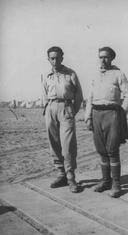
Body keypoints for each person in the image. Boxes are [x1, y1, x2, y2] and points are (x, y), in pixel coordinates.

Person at [85, 47, 128, 197]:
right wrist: (88, 116)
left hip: (112, 114)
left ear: (112, 58)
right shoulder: (95, 75)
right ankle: (106, 181)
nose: (103, 60)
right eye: (100, 57)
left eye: (106, 57)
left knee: (112, 149)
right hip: (96, 114)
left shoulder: (118, 74)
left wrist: (121, 113)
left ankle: (116, 184)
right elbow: (90, 98)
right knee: (101, 150)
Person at [42, 46, 83, 193]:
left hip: (66, 108)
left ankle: (71, 177)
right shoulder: (46, 76)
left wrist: (72, 112)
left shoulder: (70, 73)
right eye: (52, 58)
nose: (55, 60)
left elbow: (79, 96)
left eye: (58, 57)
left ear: (62, 58)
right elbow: (44, 95)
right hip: (51, 109)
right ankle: (61, 175)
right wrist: (48, 109)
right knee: (54, 143)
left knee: (68, 144)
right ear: (48, 59)